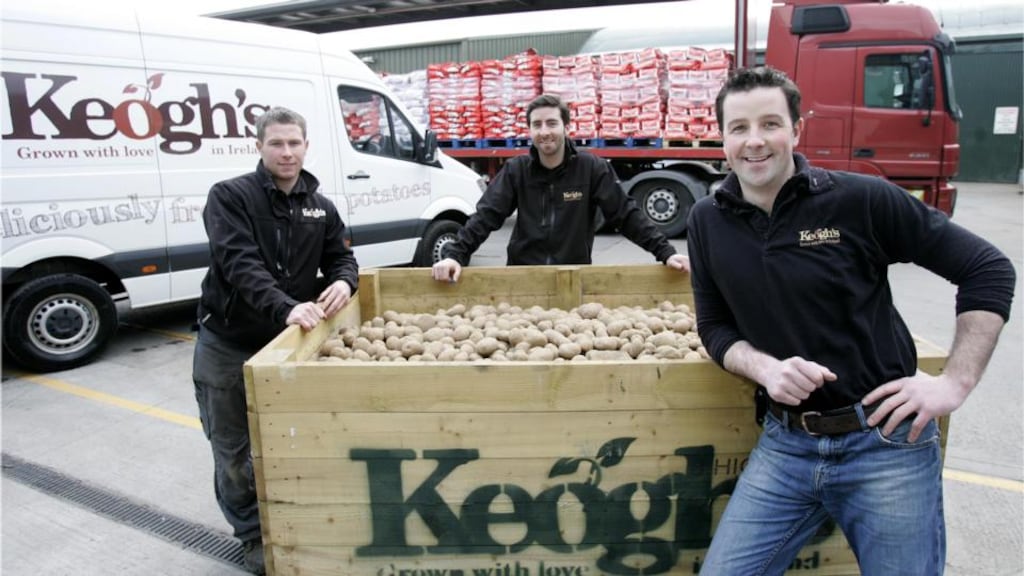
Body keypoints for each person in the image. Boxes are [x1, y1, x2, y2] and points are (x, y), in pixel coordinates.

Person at [686, 65, 1015, 575]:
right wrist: (766, 369)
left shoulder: (860, 199)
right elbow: (715, 327)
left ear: (798, 130)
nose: (755, 141)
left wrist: (955, 382)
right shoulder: (707, 221)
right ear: (721, 138)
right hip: (785, 445)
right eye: (739, 128)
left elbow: (987, 270)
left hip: (885, 446)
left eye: (771, 124)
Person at [191, 106, 359, 575]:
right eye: (276, 144)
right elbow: (237, 262)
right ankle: (251, 536)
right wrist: (284, 304)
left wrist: (345, 282)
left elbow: (343, 258)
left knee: (292, 441)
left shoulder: (319, 206)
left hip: (291, 346)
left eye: (294, 143)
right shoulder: (230, 197)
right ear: (259, 146)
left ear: (307, 146)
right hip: (230, 342)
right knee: (232, 451)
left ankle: (298, 521)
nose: (287, 153)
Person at [431, 94, 689, 282]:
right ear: (530, 130)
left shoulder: (591, 168)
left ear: (567, 127)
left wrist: (665, 252)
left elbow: (626, 215)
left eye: (552, 123)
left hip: (573, 277)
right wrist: (455, 255)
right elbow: (485, 216)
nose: (545, 132)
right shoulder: (516, 170)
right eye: (537, 125)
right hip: (522, 277)